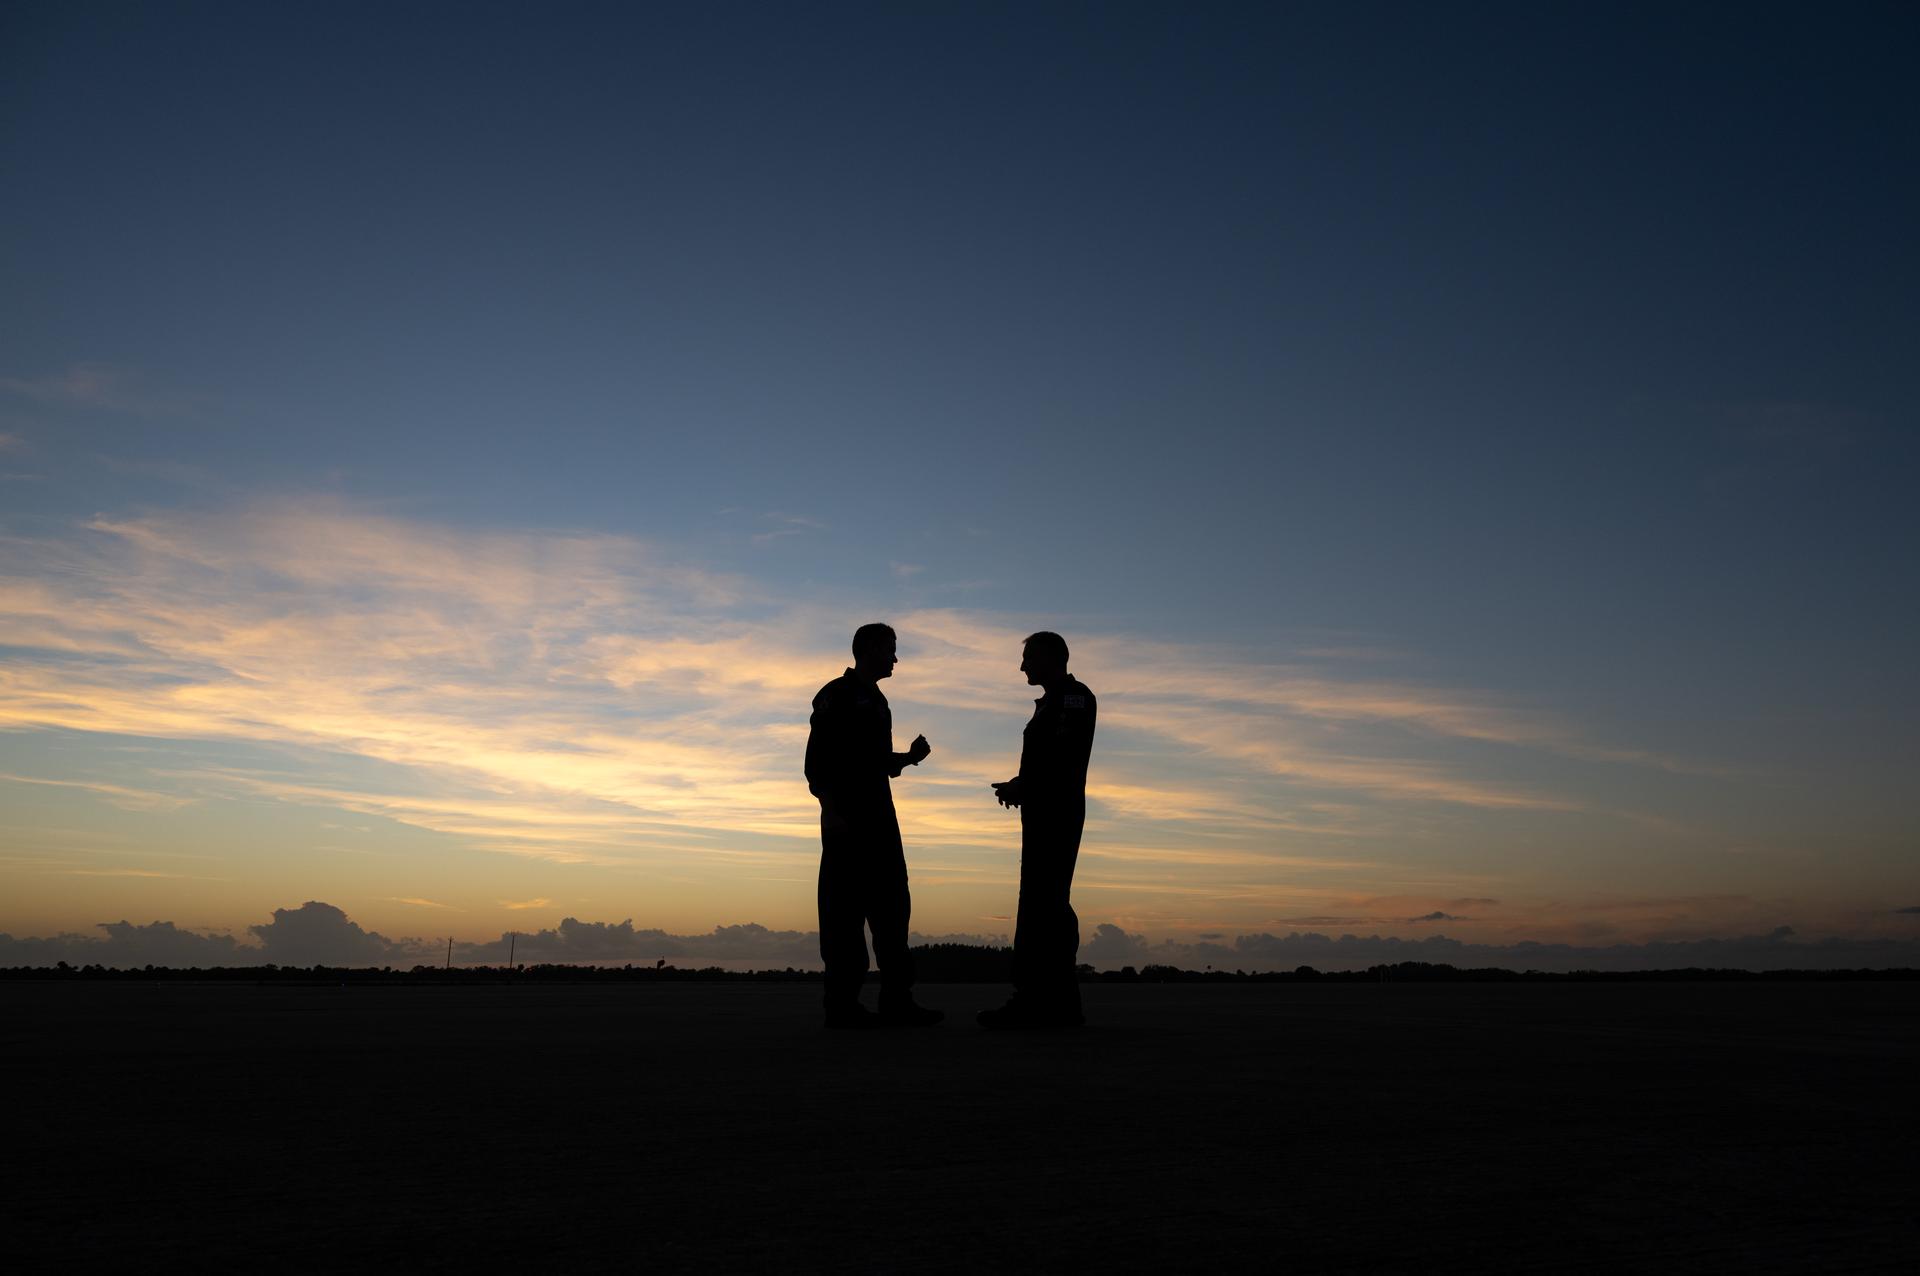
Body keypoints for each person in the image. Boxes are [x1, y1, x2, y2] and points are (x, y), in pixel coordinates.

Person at [805, 622, 943, 1029]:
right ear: (867, 650)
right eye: (890, 649)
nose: (896, 658)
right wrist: (830, 811)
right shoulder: (836, 695)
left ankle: (897, 1002)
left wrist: (909, 758)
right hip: (848, 822)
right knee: (843, 916)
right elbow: (817, 763)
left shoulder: (878, 702)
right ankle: (842, 1007)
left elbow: (876, 763)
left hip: (881, 820)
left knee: (892, 911)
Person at [980, 631, 1096, 1029]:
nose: (1022, 666)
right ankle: (1050, 1000)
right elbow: (1049, 762)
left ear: (1050, 657)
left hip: (1057, 814)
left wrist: (1024, 786)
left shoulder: (1073, 698)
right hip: (1045, 813)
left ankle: (1043, 999)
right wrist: (1021, 785)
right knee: (1041, 903)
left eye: (1028, 658)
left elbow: (1062, 760)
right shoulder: (1052, 702)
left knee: (1046, 904)